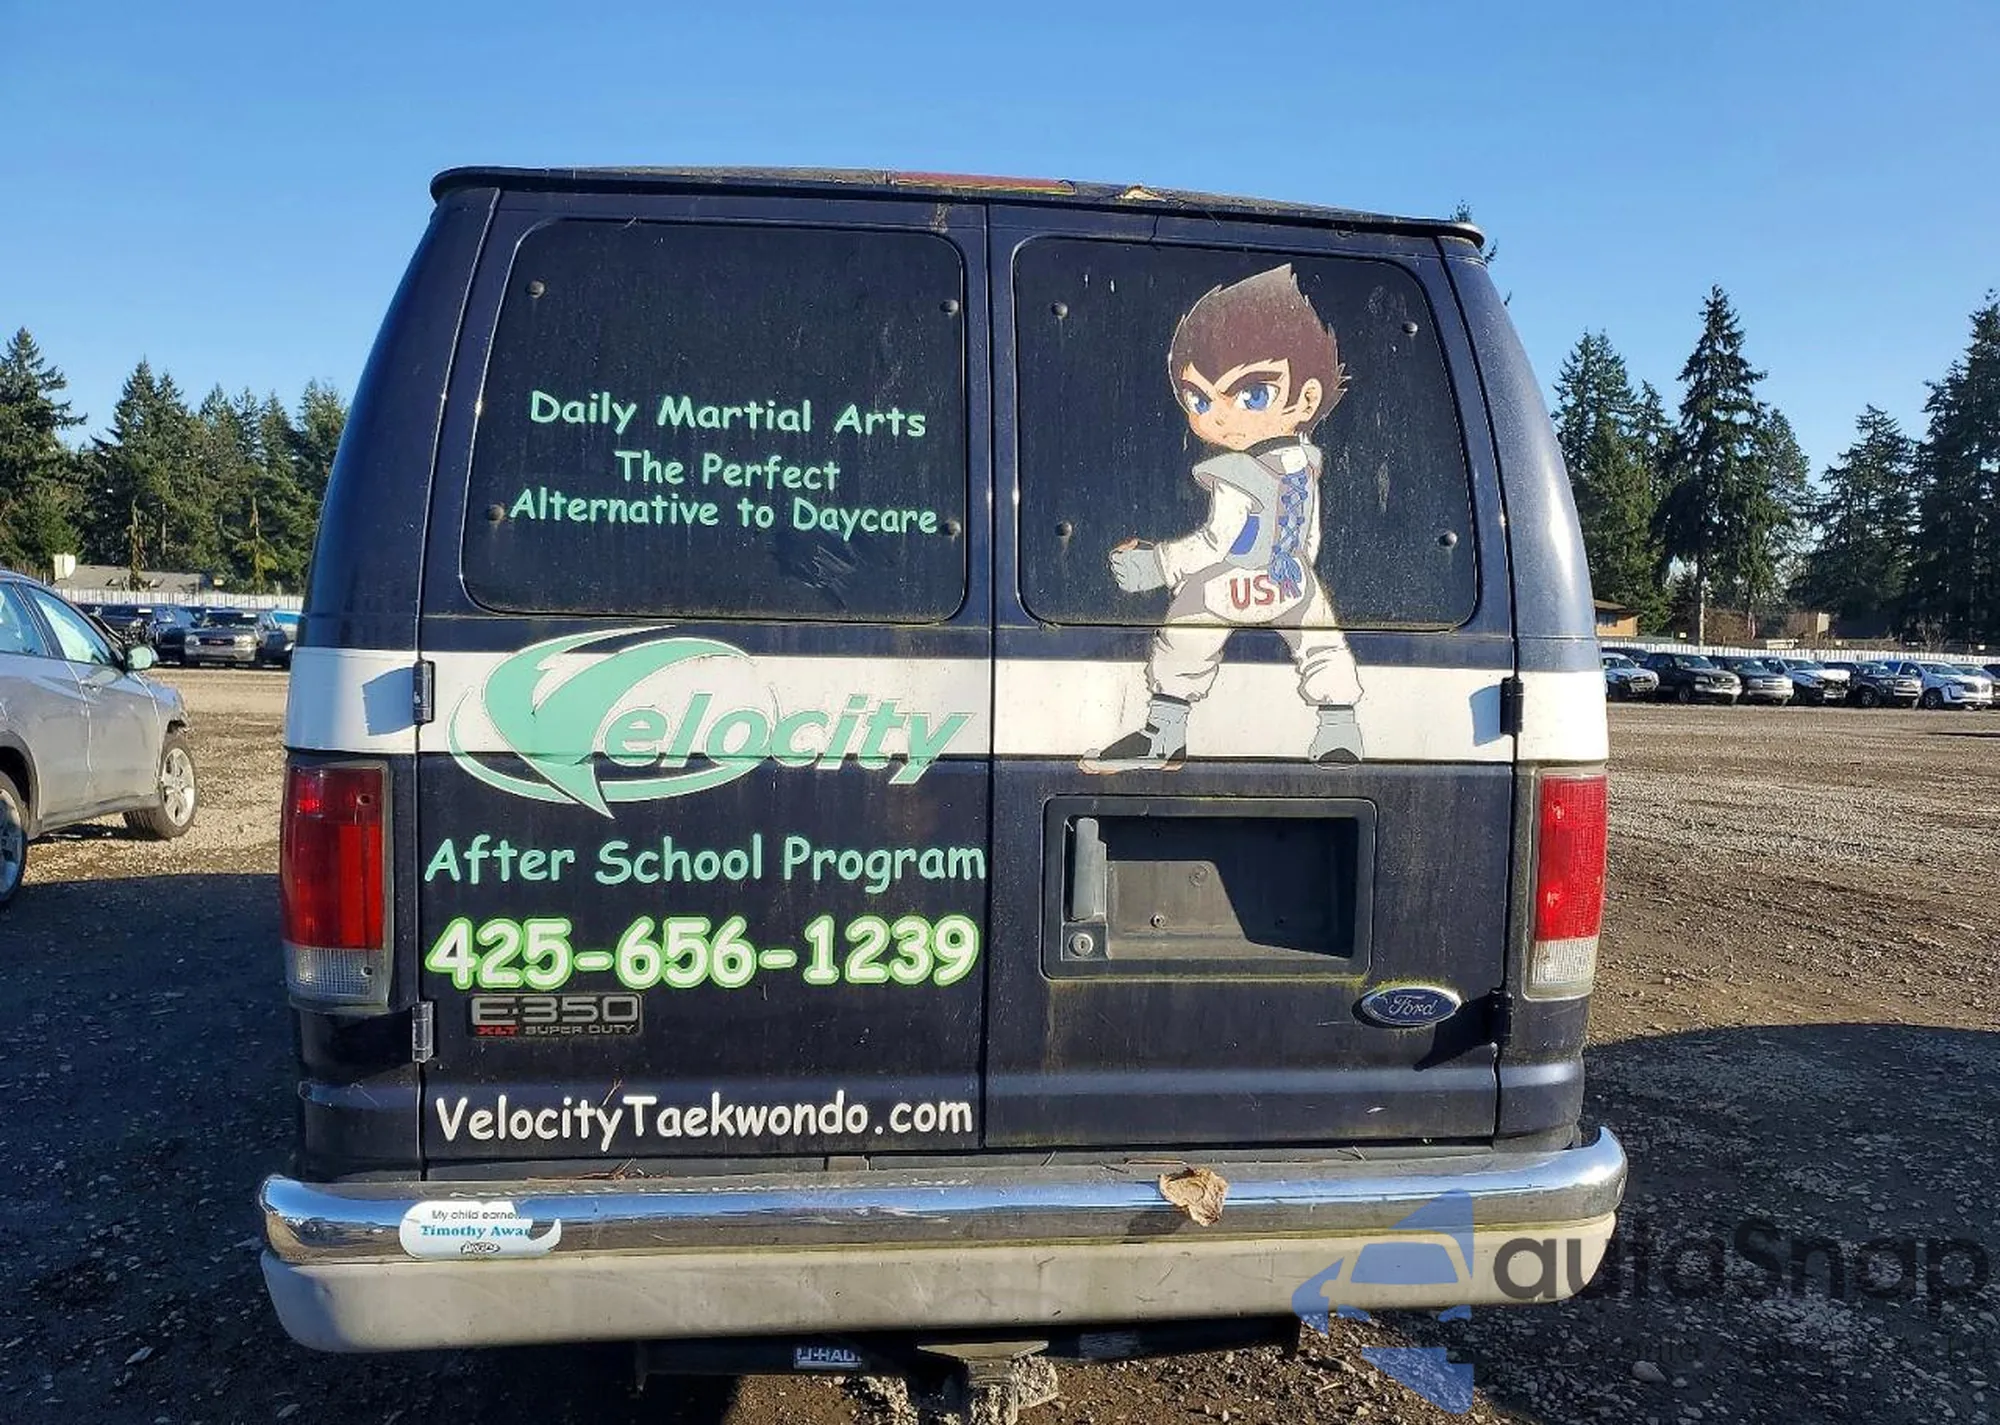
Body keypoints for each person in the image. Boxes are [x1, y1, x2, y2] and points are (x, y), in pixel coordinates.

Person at [1084, 264, 1365, 772]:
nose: (1217, 416)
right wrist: (1293, 567)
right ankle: (1339, 729)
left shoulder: (1236, 474)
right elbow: (1311, 534)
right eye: (1198, 399)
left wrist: (1157, 565)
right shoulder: (1305, 464)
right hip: (1293, 581)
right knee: (1322, 645)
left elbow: (1216, 542)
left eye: (1252, 394)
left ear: (1306, 398)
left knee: (1186, 636)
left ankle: (1163, 731)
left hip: (1230, 585)